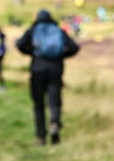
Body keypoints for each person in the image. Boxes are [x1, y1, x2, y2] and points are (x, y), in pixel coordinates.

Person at [16, 9, 79, 145]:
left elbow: (20, 44)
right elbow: (74, 47)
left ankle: (41, 136)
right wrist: (61, 55)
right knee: (54, 101)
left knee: (39, 105)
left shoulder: (33, 30)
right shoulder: (58, 30)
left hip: (37, 69)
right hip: (55, 70)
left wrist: (32, 52)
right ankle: (54, 123)